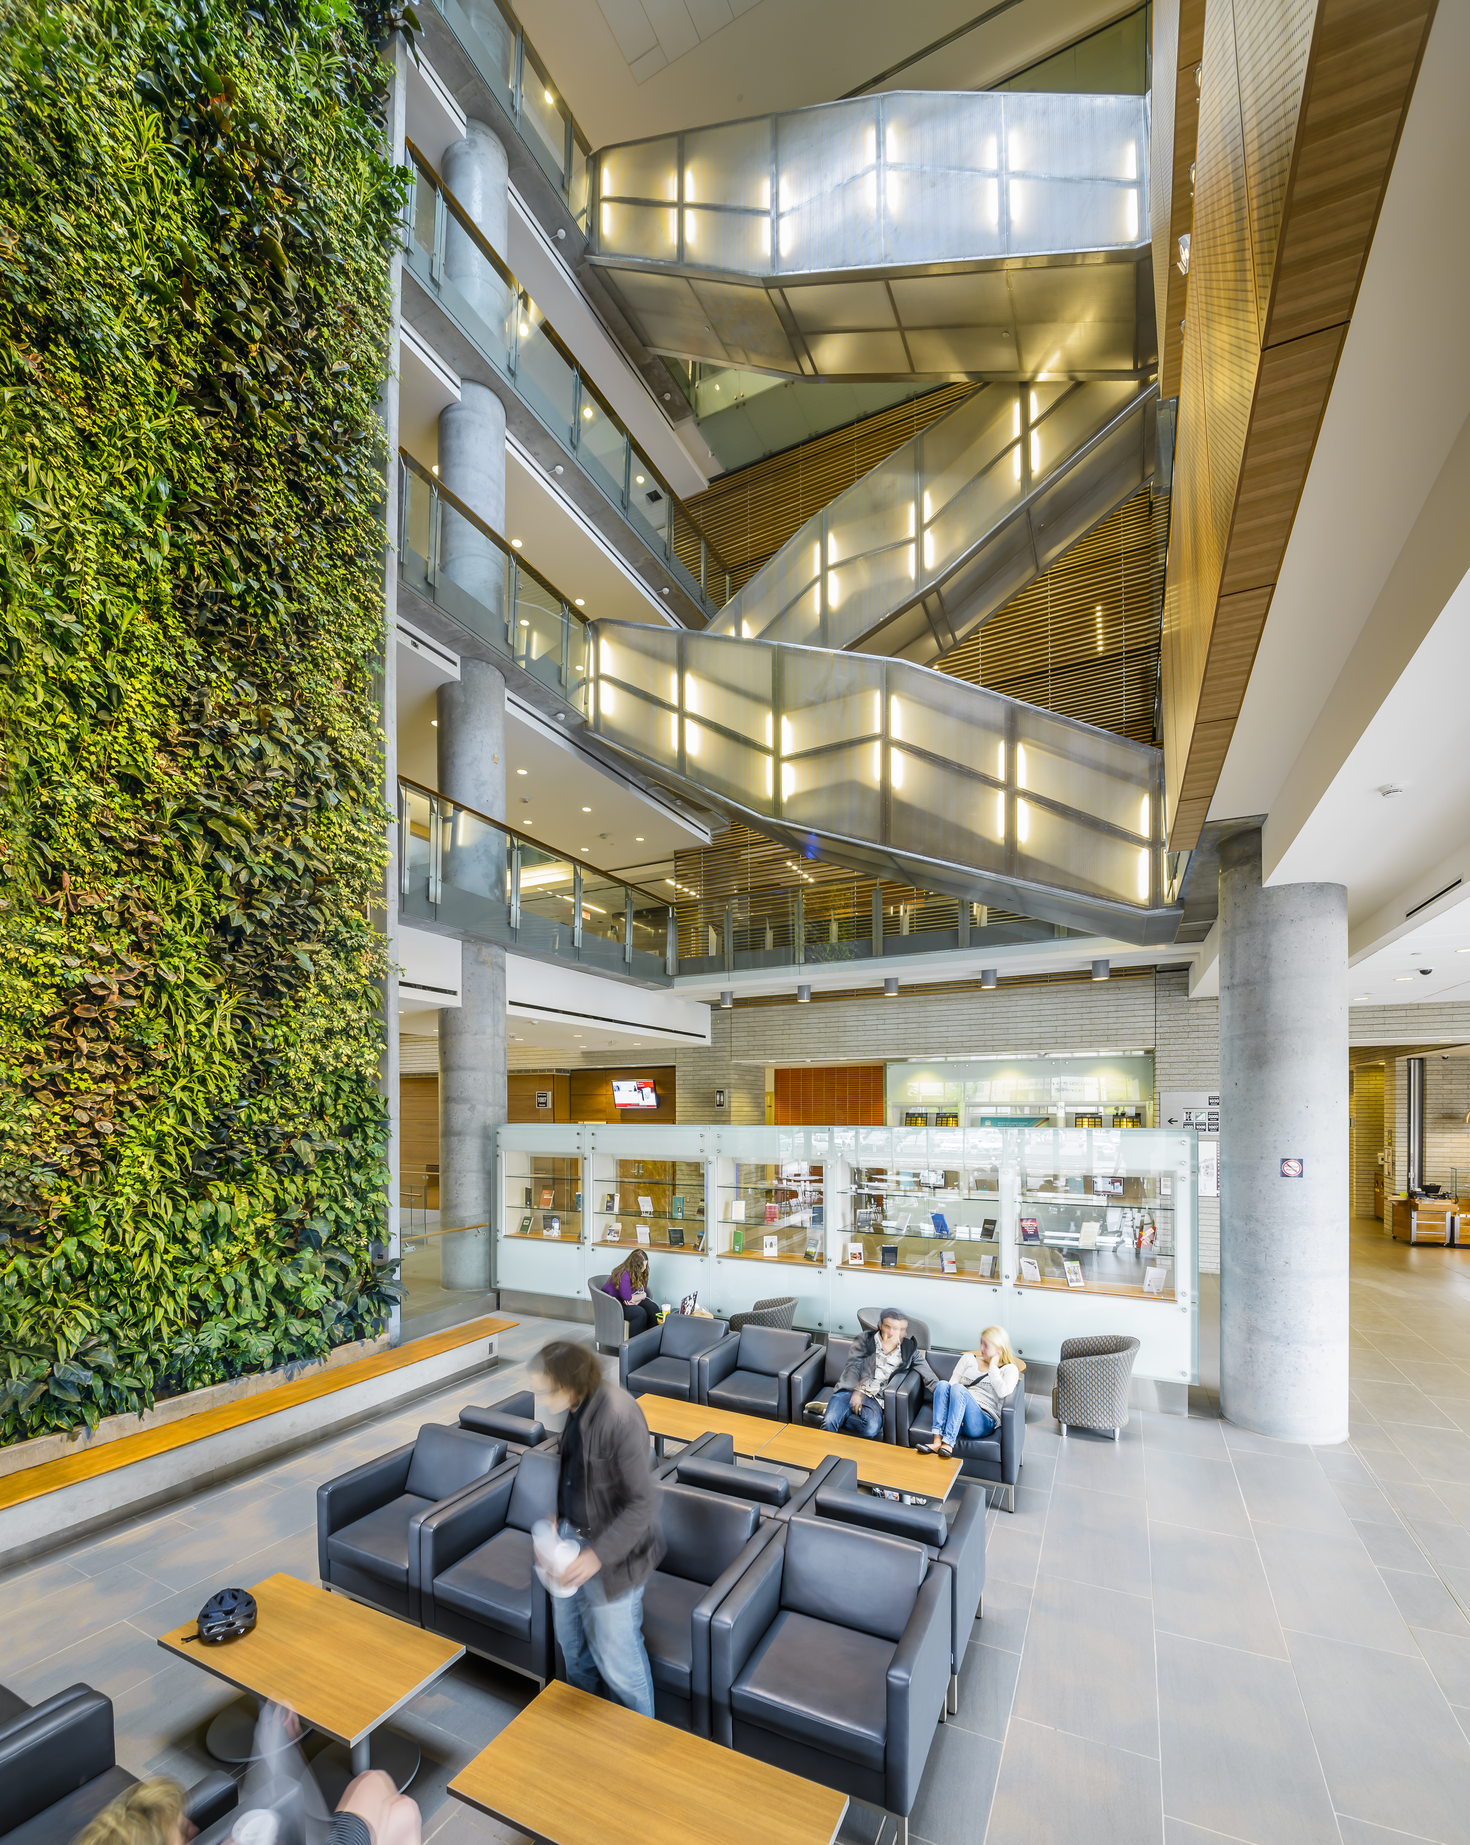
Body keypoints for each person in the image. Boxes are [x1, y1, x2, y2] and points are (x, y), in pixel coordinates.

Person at [532, 1337, 662, 1718]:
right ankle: (588, 1740)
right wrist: (558, 1517)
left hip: (615, 1559)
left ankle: (638, 1752)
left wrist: (596, 1557)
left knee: (621, 1668)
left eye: (548, 1388)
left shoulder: (620, 1415)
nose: (542, 1397)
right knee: (573, 1653)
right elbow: (574, 1469)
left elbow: (643, 1503)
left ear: (571, 1383)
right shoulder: (574, 1409)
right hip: (573, 1542)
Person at [822, 1309, 935, 1440]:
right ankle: (830, 1424)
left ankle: (831, 1411)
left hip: (876, 1399)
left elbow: (929, 1376)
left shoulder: (909, 1350)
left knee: (869, 1429)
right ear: (880, 1326)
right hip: (850, 1390)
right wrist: (857, 1393)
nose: (891, 1332)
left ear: (902, 1330)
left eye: (896, 1328)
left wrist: (943, 1398)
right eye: (888, 1327)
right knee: (829, 1422)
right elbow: (852, 1367)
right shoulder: (865, 1340)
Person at [920, 1324, 1023, 1457]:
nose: (981, 1348)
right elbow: (951, 1385)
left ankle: (949, 1443)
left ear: (1000, 1349)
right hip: (958, 1417)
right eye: (981, 1343)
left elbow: (1003, 1392)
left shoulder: (1009, 1369)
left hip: (983, 1420)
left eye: (986, 1345)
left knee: (959, 1389)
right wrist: (957, 1411)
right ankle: (937, 1441)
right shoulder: (968, 1359)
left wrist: (993, 1366)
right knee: (942, 1385)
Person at [602, 1248, 658, 1335]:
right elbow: (627, 1298)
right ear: (635, 1266)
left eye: (646, 1264)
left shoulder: (643, 1272)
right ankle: (633, 1345)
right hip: (615, 1301)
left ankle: (651, 1340)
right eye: (642, 1266)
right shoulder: (624, 1274)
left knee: (653, 1308)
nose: (644, 1268)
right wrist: (642, 1296)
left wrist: (638, 1299)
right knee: (639, 1313)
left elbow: (642, 1291)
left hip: (632, 1299)